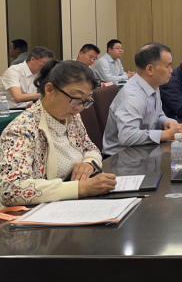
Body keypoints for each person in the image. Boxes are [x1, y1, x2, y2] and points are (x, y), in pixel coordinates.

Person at [0, 60, 117, 206]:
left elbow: (90, 147)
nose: (79, 108)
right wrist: (81, 188)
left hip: (68, 204)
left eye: (86, 101)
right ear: (49, 90)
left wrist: (89, 162)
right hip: (36, 211)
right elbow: (11, 190)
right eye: (75, 99)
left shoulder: (72, 117)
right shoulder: (23, 129)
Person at [103, 43, 182, 157]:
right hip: (120, 157)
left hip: (142, 150)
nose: (171, 70)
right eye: (167, 66)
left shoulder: (153, 86)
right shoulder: (132, 96)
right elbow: (127, 136)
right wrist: (166, 134)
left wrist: (166, 122)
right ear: (150, 69)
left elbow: (157, 115)